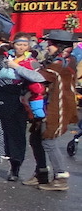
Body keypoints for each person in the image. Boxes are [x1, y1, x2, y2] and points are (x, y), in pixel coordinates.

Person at [0, 40, 45, 181]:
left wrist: (17, 67)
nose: (21, 47)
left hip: (18, 103)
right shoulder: (0, 60)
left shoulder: (32, 62)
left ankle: (15, 168)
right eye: (19, 44)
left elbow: (39, 78)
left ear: (29, 47)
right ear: (14, 45)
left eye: (25, 45)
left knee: (16, 137)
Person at [28, 30, 78, 191]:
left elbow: (39, 77)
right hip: (45, 105)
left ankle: (60, 177)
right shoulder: (61, 60)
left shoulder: (61, 63)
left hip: (57, 107)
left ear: (60, 47)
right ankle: (41, 173)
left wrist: (16, 66)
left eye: (50, 45)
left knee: (49, 140)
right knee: (35, 138)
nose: (47, 47)